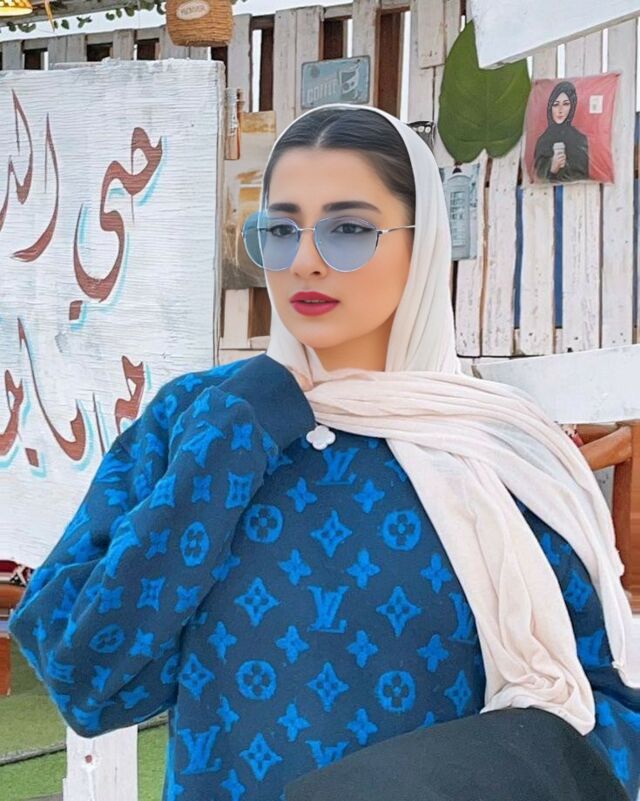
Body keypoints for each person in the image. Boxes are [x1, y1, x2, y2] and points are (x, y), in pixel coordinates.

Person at [8, 104, 639, 801]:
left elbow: (606, 712)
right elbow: (87, 681)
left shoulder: (498, 448)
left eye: (349, 230)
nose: (305, 260)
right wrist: (232, 440)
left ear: (422, 243)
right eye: (281, 230)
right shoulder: (196, 419)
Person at [534, 80, 590, 182]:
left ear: (572, 107)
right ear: (550, 107)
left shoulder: (580, 140)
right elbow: (538, 177)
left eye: (565, 104)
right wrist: (552, 167)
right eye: (556, 104)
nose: (560, 110)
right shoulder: (542, 141)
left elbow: (583, 176)